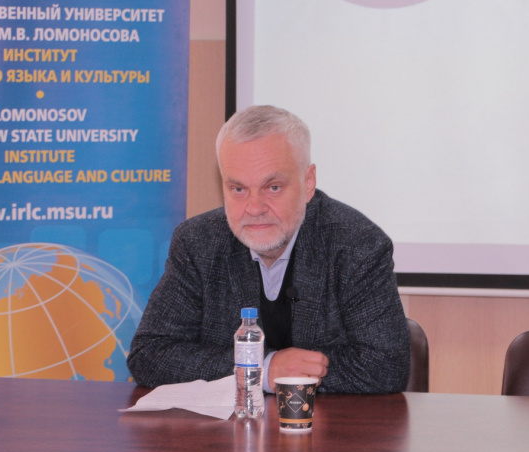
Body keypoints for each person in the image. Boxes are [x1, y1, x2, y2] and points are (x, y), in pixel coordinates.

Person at [127, 105, 410, 393]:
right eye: (238, 189)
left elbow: (387, 367)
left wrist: (290, 374)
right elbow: (149, 355)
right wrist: (261, 367)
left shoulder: (357, 245)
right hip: (232, 422)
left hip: (328, 421)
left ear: (308, 182)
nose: (254, 208)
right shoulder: (198, 243)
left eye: (273, 187)